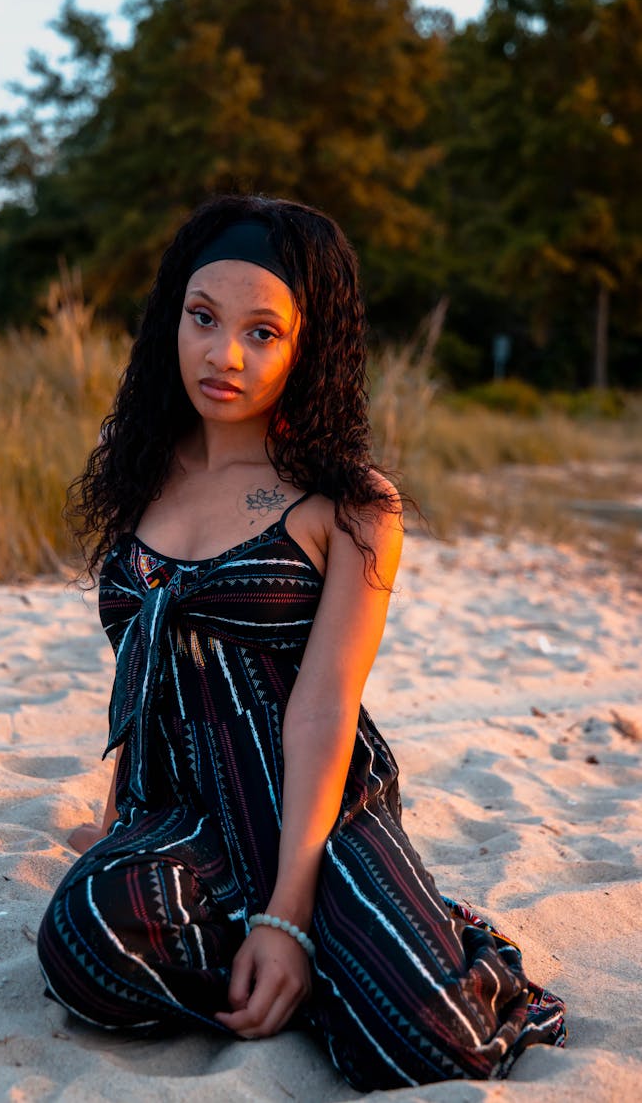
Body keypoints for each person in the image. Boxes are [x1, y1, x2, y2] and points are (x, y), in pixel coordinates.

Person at [37, 194, 566, 1091]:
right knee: (87, 937)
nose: (223, 354)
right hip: (185, 815)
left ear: (307, 345)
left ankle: (418, 938)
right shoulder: (140, 474)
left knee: (436, 1045)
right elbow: (144, 671)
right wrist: (119, 811)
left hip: (317, 812)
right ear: (174, 315)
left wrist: (287, 914)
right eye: (203, 319)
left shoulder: (350, 503)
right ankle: (334, 969)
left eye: (262, 333)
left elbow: (324, 705)